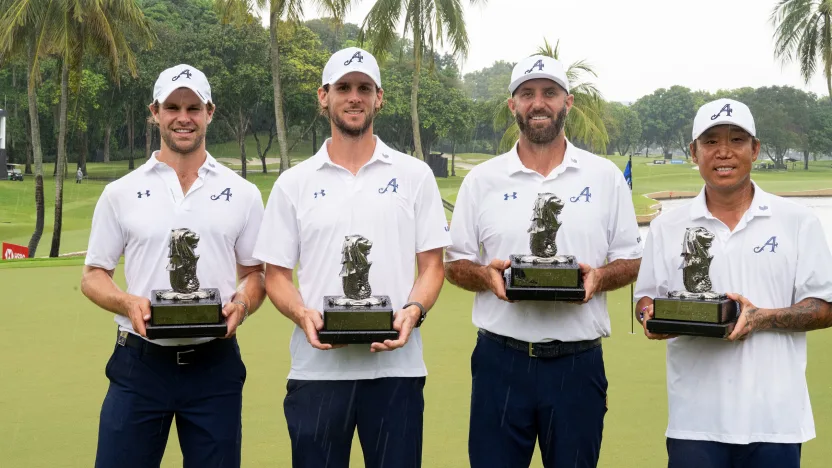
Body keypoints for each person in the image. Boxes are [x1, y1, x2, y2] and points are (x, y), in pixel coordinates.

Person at [252, 47, 450, 468]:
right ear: (323, 96)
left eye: (364, 88)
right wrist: (302, 314)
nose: (354, 97)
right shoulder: (294, 183)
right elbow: (276, 275)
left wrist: (413, 310)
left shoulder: (414, 175)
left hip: (396, 371)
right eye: (343, 87)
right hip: (317, 372)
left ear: (379, 97)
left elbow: (433, 266)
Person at [444, 54, 643, 468]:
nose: (539, 103)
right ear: (512, 105)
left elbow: (630, 259)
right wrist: (485, 276)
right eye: (527, 94)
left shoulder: (604, 176)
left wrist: (598, 277)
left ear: (567, 102)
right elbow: (455, 264)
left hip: (577, 363)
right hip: (500, 361)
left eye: (549, 93)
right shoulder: (482, 180)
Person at [81, 64, 266, 468]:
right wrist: (128, 302)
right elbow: (94, 275)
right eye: (173, 107)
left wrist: (242, 304)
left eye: (194, 107)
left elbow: (254, 275)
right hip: (139, 364)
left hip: (214, 365)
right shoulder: (121, 192)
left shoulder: (243, 193)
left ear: (209, 112)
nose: (184, 117)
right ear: (155, 112)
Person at [635, 98, 832, 468]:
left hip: (775, 421)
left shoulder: (797, 221)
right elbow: (646, 299)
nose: (723, 152)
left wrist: (760, 318)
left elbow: (824, 307)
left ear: (754, 149)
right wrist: (650, 316)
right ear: (694, 152)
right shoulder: (666, 227)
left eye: (736, 140)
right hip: (695, 423)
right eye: (710, 141)